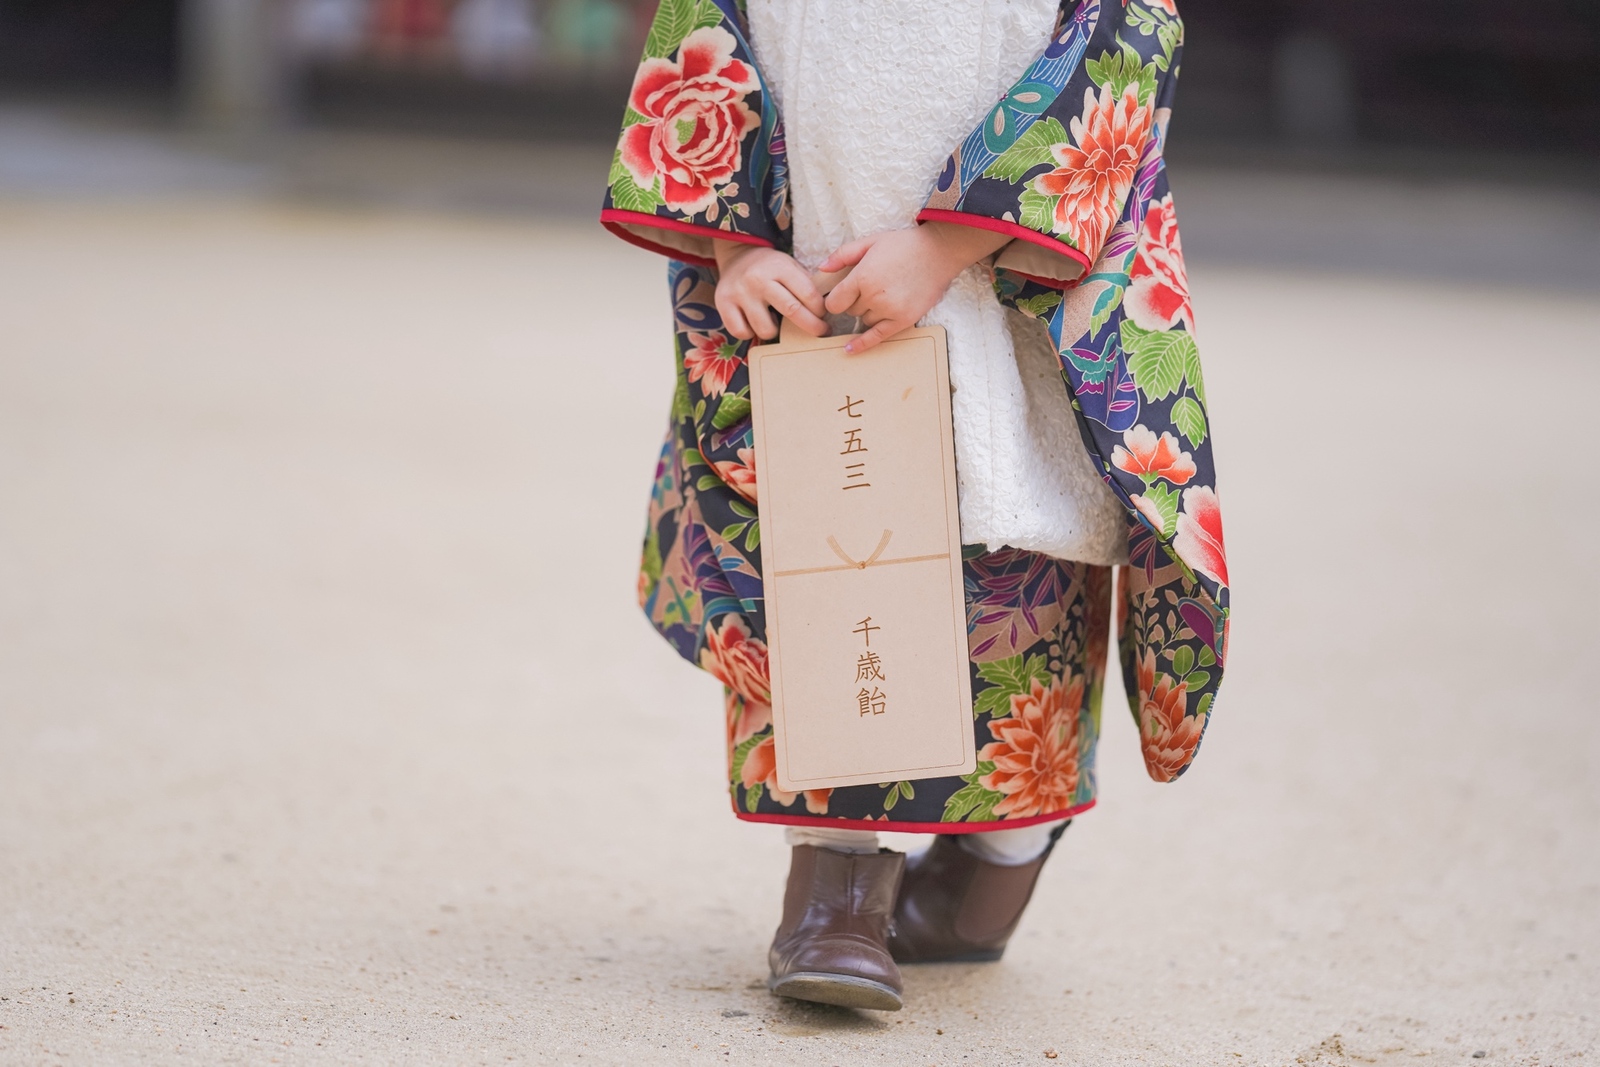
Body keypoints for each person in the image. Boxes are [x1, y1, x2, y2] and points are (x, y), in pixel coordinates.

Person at [600, 0, 1229, 1011]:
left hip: (1001, 311)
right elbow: (705, 45)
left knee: (1016, 594)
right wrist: (736, 253)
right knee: (825, 579)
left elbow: (1120, 49)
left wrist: (945, 249)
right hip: (815, 297)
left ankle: (994, 870)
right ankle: (836, 893)